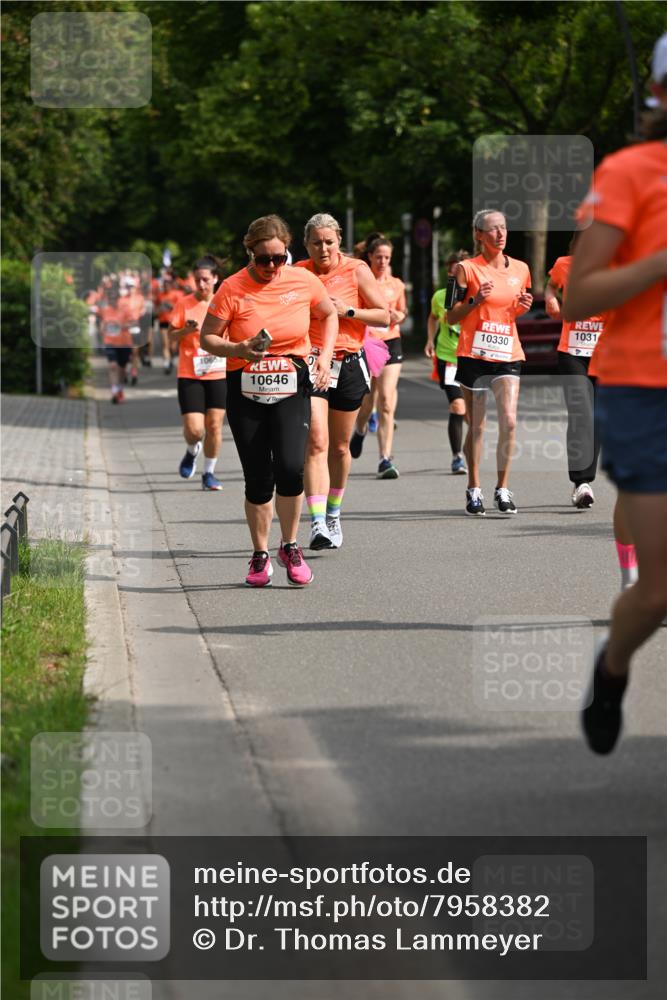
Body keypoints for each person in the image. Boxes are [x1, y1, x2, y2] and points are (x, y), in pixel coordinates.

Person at [564, 32, 667, 754]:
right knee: (659, 592)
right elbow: (577, 298)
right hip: (644, 392)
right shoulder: (632, 171)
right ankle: (611, 669)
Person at [200, 214, 337, 587]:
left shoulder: (302, 280)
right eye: (264, 260)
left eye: (280, 258)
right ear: (250, 254)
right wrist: (237, 347)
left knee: (291, 468)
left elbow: (328, 316)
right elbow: (207, 338)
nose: (273, 267)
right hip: (245, 389)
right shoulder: (231, 288)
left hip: (291, 386)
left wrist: (324, 359)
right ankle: (260, 555)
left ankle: (290, 545)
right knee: (258, 477)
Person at [296, 213, 389, 549]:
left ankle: (334, 513)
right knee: (316, 442)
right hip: (311, 363)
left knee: (338, 446)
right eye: (316, 243)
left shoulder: (356, 270)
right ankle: (317, 523)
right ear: (306, 244)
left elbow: (384, 314)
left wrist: (349, 310)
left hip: (348, 363)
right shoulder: (298, 274)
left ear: (338, 241)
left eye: (329, 242)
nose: (323, 248)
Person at [446, 210, 533, 515]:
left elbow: (510, 312)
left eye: (504, 228)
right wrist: (475, 301)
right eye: (493, 230)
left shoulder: (521, 269)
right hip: (474, 355)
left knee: (509, 421)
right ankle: (474, 488)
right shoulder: (465, 269)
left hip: (508, 353)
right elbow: (450, 315)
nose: (500, 234)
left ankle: (503, 488)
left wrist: (522, 308)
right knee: (478, 426)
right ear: (478, 235)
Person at [545, 232, 606, 508]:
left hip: (606, 355)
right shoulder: (564, 265)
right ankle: (582, 482)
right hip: (572, 352)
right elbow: (551, 286)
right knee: (581, 412)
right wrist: (551, 299)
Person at [169, 255, 228, 491]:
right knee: (195, 430)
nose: (201, 284)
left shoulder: (224, 303)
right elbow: (171, 337)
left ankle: (209, 473)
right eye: (197, 280)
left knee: (214, 426)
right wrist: (185, 330)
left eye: (205, 279)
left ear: (215, 279)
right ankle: (192, 449)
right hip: (190, 373)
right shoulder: (184, 304)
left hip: (218, 373)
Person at [350, 237, 407, 478]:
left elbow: (404, 311)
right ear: (370, 257)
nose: (383, 261)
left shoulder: (397, 284)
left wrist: (398, 316)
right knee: (368, 402)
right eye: (379, 257)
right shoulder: (363, 282)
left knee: (386, 400)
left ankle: (385, 458)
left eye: (387, 258)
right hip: (369, 342)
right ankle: (361, 429)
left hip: (392, 342)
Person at [425, 250, 471, 475]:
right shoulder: (440, 296)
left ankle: (471, 447)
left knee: (472, 414)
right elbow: (433, 318)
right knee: (457, 406)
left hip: (471, 357)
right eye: (453, 268)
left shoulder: (476, 295)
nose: (456, 271)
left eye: (460, 268)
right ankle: (457, 457)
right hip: (447, 357)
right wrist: (429, 340)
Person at [99, 283, 133, 404]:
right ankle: (114, 391)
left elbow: (132, 323)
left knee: (122, 368)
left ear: (118, 297)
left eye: (114, 297)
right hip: (110, 341)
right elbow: (102, 323)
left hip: (124, 342)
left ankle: (120, 388)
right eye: (110, 297)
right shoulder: (105, 309)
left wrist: (121, 326)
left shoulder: (125, 308)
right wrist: (102, 328)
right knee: (112, 366)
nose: (112, 299)